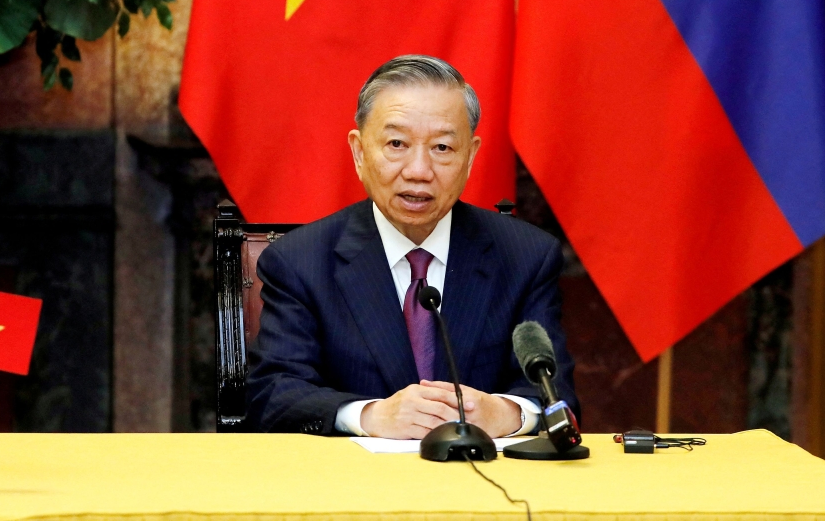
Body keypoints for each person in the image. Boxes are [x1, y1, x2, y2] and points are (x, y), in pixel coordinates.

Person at [246, 55, 578, 438]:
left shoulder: (525, 258)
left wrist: (506, 413)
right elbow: (273, 397)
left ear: (470, 156)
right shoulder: (300, 262)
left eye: (441, 148)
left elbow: (559, 397)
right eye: (397, 143)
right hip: (352, 490)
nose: (419, 170)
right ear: (359, 151)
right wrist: (369, 416)